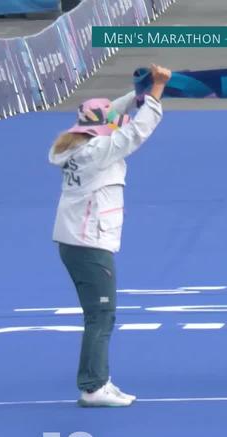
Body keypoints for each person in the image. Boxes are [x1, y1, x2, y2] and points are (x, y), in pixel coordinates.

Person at [50, 64, 172, 407]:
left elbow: (112, 113)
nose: (116, 122)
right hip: (89, 243)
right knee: (101, 315)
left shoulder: (77, 145)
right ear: (101, 129)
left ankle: (100, 378)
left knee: (100, 314)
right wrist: (157, 93)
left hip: (78, 240)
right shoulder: (96, 151)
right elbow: (136, 134)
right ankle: (92, 387)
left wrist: (137, 95)